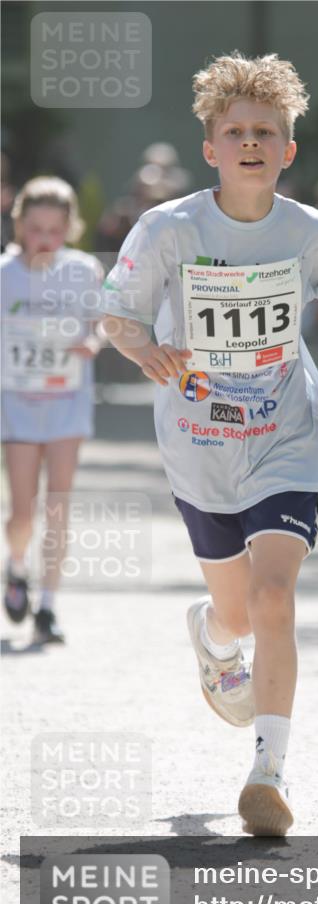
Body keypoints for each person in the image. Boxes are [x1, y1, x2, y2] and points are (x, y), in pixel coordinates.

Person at [99, 52, 318, 836]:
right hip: (199, 442)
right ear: (210, 147)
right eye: (235, 131)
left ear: (289, 150)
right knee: (239, 615)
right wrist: (145, 349)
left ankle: (268, 772)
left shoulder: (311, 230)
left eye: (267, 132)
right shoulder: (169, 229)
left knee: (275, 594)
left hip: (288, 431)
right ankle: (214, 640)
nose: (251, 143)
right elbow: (118, 316)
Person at [1, 176, 105, 642]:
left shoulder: (82, 271)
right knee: (23, 512)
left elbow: (101, 325)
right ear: (20, 225)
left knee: (58, 508)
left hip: (67, 403)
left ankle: (48, 607)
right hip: (18, 405)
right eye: (36, 228)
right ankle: (17, 566)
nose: (45, 239)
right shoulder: (4, 275)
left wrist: (92, 341)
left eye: (55, 230)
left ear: (70, 229)